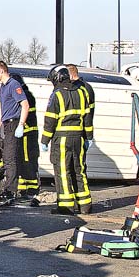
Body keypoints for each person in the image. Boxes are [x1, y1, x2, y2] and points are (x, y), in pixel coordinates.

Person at [41, 65, 94, 215]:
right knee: (79, 170)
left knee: (63, 172)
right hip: (79, 138)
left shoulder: (56, 95)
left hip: (62, 139)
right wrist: (89, 137)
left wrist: (45, 140)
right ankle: (85, 205)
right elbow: (87, 117)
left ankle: (66, 206)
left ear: (57, 79)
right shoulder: (82, 92)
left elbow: (50, 120)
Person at [0, 61, 29, 207]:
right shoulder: (2, 87)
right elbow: (2, 108)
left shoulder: (14, 85)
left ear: (1, 71)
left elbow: (25, 105)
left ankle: (10, 191)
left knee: (10, 158)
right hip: (7, 124)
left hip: (14, 123)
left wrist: (21, 125)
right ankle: (7, 188)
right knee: (6, 157)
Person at [9, 73, 41, 203]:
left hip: (28, 135)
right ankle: (23, 190)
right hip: (23, 136)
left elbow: (24, 112)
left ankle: (32, 189)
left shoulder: (27, 96)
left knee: (28, 162)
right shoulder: (24, 95)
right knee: (21, 161)